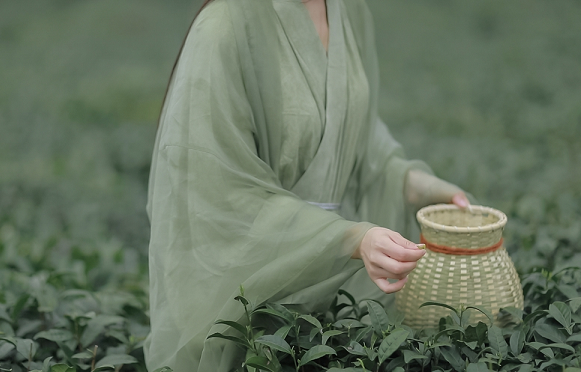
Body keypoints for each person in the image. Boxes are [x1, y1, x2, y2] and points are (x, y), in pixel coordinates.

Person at [144, 0, 470, 370]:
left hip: (329, 302)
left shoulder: (349, 11)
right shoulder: (223, 25)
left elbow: (354, 135)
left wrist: (415, 186)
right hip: (248, 296)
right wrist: (350, 238)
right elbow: (217, 191)